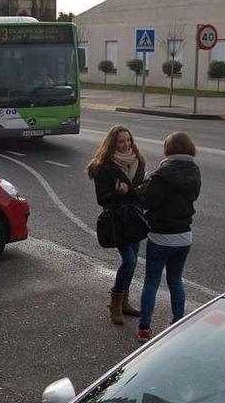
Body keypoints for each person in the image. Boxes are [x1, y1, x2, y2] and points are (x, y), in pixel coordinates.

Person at [138, 132, 201, 342]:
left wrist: (145, 185)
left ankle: (145, 328)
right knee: (175, 281)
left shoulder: (162, 174)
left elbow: (147, 201)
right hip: (184, 235)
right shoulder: (194, 170)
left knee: (151, 283)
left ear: (169, 149)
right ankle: (178, 322)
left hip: (161, 236)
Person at [86, 125, 146, 325]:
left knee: (134, 262)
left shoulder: (138, 161)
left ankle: (125, 302)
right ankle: (115, 302)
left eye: (128, 140)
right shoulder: (104, 166)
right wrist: (116, 193)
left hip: (135, 218)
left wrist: (144, 188)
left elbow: (140, 193)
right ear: (113, 143)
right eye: (121, 141)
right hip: (118, 220)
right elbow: (101, 199)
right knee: (128, 261)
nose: (126, 145)